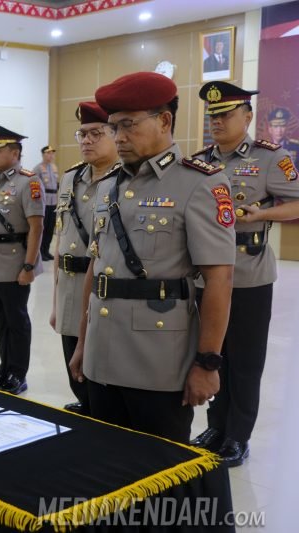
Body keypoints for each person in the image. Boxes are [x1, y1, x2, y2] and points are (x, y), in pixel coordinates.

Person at [69, 72, 236, 444]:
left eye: (129, 125)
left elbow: (219, 280)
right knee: (106, 459)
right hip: (102, 354)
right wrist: (83, 342)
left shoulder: (200, 183)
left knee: (159, 466)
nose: (119, 137)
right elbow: (97, 268)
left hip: (159, 361)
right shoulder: (109, 186)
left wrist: (208, 362)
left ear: (164, 120)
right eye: (114, 127)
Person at [189, 82, 299, 465]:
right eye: (212, 115)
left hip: (248, 273)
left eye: (225, 114)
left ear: (248, 116)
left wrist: (263, 214)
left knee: (246, 360)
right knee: (211, 353)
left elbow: (296, 202)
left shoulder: (270, 157)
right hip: (205, 275)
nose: (216, 121)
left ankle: (238, 435)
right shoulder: (199, 161)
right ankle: (216, 426)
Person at [49, 102, 119, 416]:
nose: (87, 140)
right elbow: (60, 240)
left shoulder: (123, 180)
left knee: (100, 363)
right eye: (82, 134)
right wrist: (55, 302)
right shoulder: (70, 178)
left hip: (102, 286)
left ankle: (99, 413)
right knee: (71, 357)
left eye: (96, 133)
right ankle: (85, 404)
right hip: (69, 284)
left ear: (114, 135)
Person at [0, 125, 45, 395]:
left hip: (14, 263)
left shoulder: (29, 182)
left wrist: (29, 266)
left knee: (16, 322)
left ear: (15, 153)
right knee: (1, 320)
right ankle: (3, 370)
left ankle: (18, 373)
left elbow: (36, 227)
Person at [34, 145, 59, 261]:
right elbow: (34, 186)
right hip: (43, 202)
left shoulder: (54, 167)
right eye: (48, 153)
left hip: (53, 201)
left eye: (52, 153)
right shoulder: (38, 168)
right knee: (42, 228)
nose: (51, 155)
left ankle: (46, 250)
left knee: (50, 228)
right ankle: (40, 252)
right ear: (43, 155)